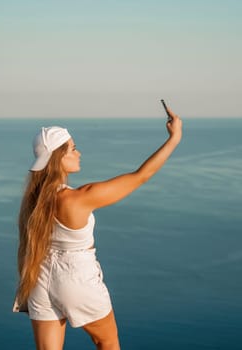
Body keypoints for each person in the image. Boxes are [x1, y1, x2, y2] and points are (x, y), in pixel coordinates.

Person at [13, 103, 183, 350]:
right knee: (108, 343)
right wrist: (174, 138)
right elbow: (140, 176)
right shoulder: (79, 198)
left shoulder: (33, 202)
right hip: (76, 276)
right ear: (59, 157)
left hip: (38, 277)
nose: (79, 152)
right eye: (73, 148)